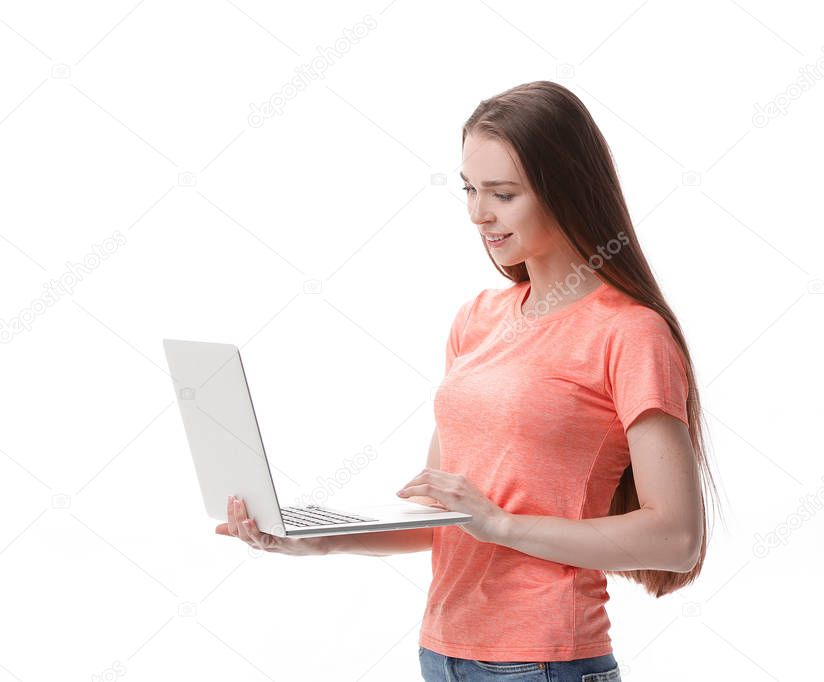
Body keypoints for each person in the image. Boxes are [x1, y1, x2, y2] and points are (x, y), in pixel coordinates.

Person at [217, 80, 720, 681]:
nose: (479, 213)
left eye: (503, 194)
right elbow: (442, 514)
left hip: (543, 660)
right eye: (470, 190)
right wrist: (316, 538)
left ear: (567, 190)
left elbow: (675, 537)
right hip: (444, 654)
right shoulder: (477, 319)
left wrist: (501, 526)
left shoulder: (631, 333)